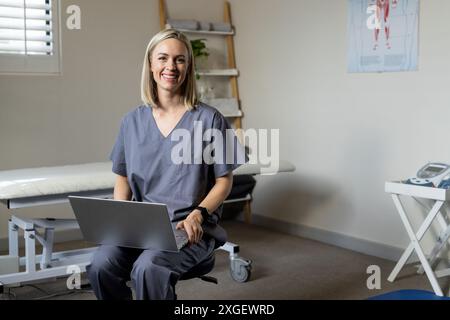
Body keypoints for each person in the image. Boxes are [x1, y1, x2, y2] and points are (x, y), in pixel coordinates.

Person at [86, 29, 245, 300]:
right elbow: (122, 178)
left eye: (179, 60)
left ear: (188, 67)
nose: (170, 66)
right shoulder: (131, 122)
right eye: (163, 58)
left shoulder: (210, 119)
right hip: (141, 228)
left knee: (149, 269)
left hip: (190, 227)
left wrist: (198, 214)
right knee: (101, 266)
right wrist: (119, 219)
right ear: (150, 64)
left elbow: (224, 181)